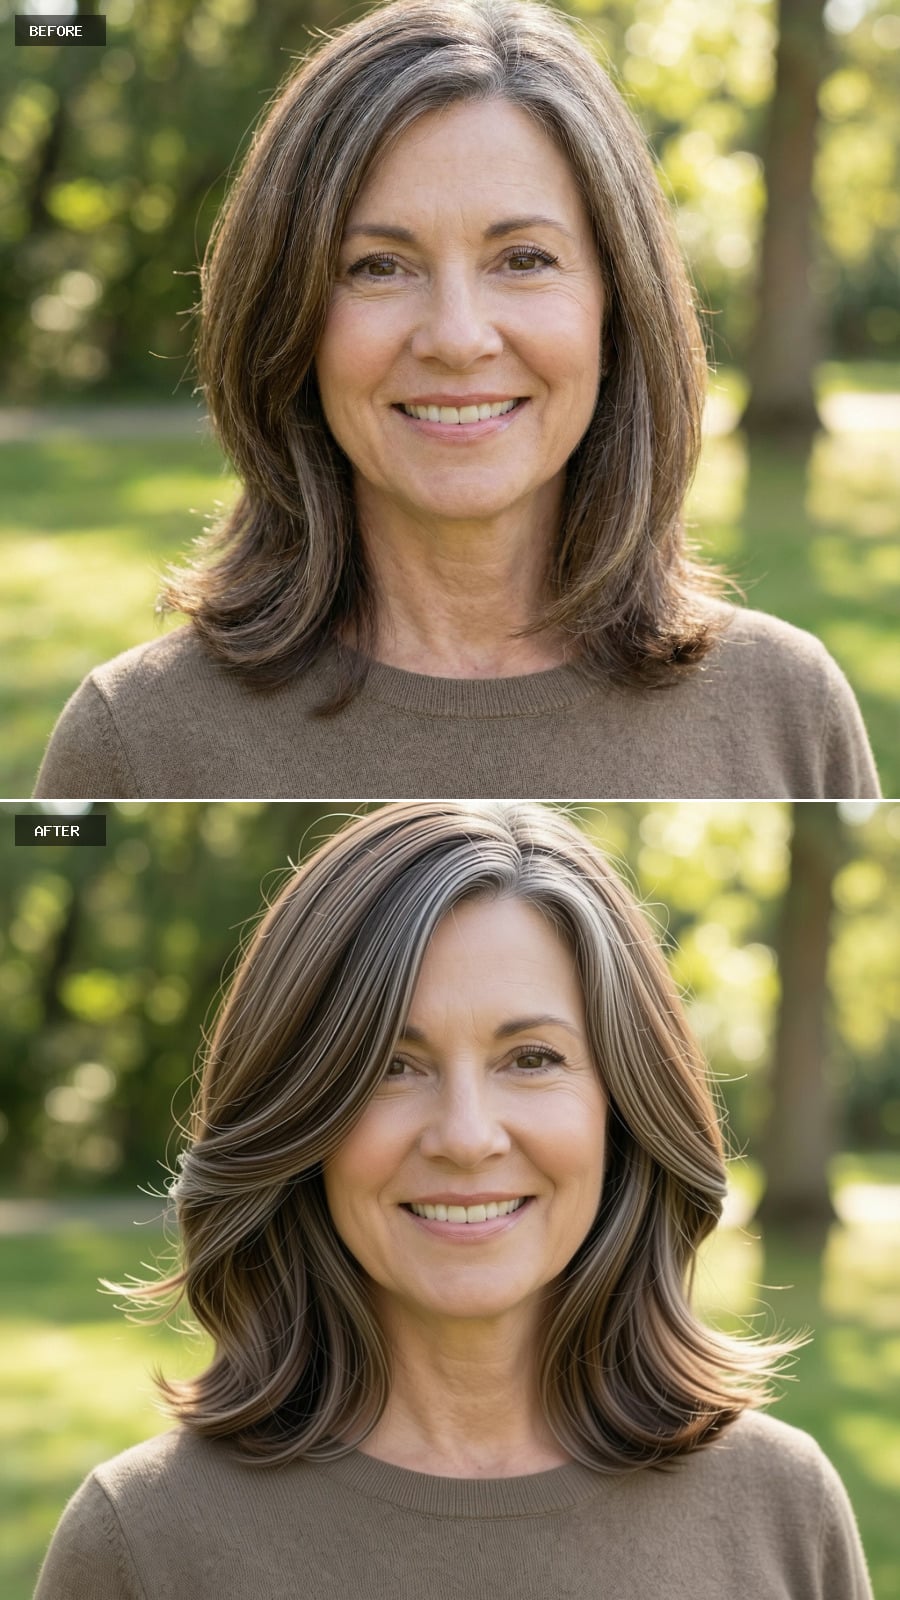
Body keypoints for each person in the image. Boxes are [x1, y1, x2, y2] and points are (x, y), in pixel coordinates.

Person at [33, 0, 879, 800]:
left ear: (618, 305)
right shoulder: (137, 740)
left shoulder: (787, 709)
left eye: (524, 259)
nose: (457, 337)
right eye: (378, 267)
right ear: (287, 318)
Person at [34, 802, 873, 1598]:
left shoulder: (782, 1504)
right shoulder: (142, 1540)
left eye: (532, 1058)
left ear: (623, 1106)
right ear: (300, 1113)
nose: (466, 1137)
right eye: (392, 1066)